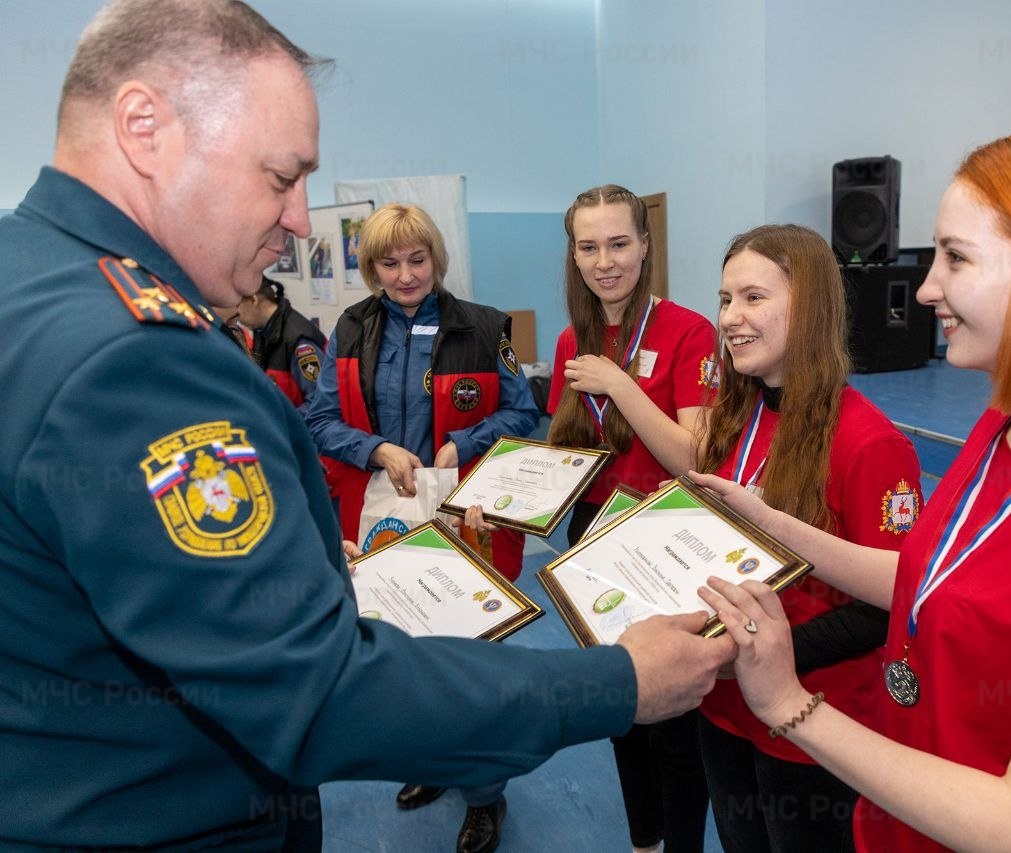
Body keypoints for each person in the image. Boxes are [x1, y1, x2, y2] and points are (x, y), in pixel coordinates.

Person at [0, 1, 733, 848]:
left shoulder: (35, 275)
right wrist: (616, 683)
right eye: (280, 177)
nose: (301, 219)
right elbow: (315, 695)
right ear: (143, 127)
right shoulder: (136, 355)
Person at [695, 130, 1011, 852]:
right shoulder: (1003, 428)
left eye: (956, 257)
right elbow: (926, 574)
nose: (925, 287)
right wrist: (772, 524)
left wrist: (791, 704)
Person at [304, 201, 540, 849]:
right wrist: (376, 449)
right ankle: (433, 765)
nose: (405, 275)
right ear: (370, 266)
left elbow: (524, 412)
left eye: (417, 258)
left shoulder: (487, 327)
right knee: (406, 661)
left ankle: (486, 793)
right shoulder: (348, 330)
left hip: (467, 520)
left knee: (470, 664)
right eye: (389, 262)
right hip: (384, 520)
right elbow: (318, 420)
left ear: (436, 256)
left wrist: (463, 442)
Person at [695, 224, 921, 853]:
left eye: (753, 297)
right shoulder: (735, 420)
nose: (731, 317)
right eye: (724, 299)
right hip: (724, 706)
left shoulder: (870, 444)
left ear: (812, 307)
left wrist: (763, 657)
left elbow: (885, 610)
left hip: (812, 719)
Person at [546, 184, 719, 852]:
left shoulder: (688, 331)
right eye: (588, 246)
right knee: (623, 706)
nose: (604, 260)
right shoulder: (570, 337)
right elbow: (575, 453)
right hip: (595, 532)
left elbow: (692, 456)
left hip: (664, 536)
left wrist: (620, 382)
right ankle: (643, 840)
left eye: (619, 243)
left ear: (645, 246)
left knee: (674, 715)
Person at [237, 275, 327, 414]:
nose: (236, 315)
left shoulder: (299, 340)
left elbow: (320, 404)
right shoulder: (264, 332)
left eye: (237, 306)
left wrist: (280, 423)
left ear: (253, 299)